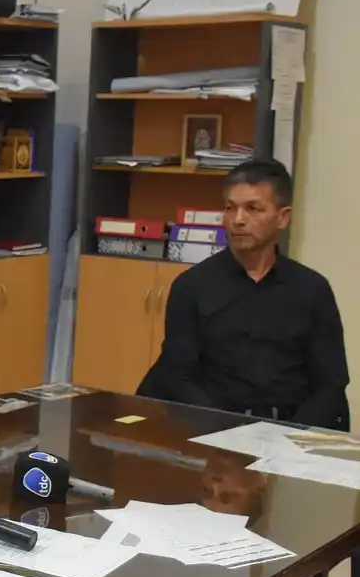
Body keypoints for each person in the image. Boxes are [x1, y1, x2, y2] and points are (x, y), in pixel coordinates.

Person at [140, 159, 349, 429]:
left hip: (291, 434)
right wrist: (222, 431)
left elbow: (331, 382)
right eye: (230, 208)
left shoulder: (312, 289)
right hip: (215, 433)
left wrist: (292, 440)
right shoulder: (191, 286)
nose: (238, 220)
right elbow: (178, 377)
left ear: (283, 217)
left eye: (253, 209)